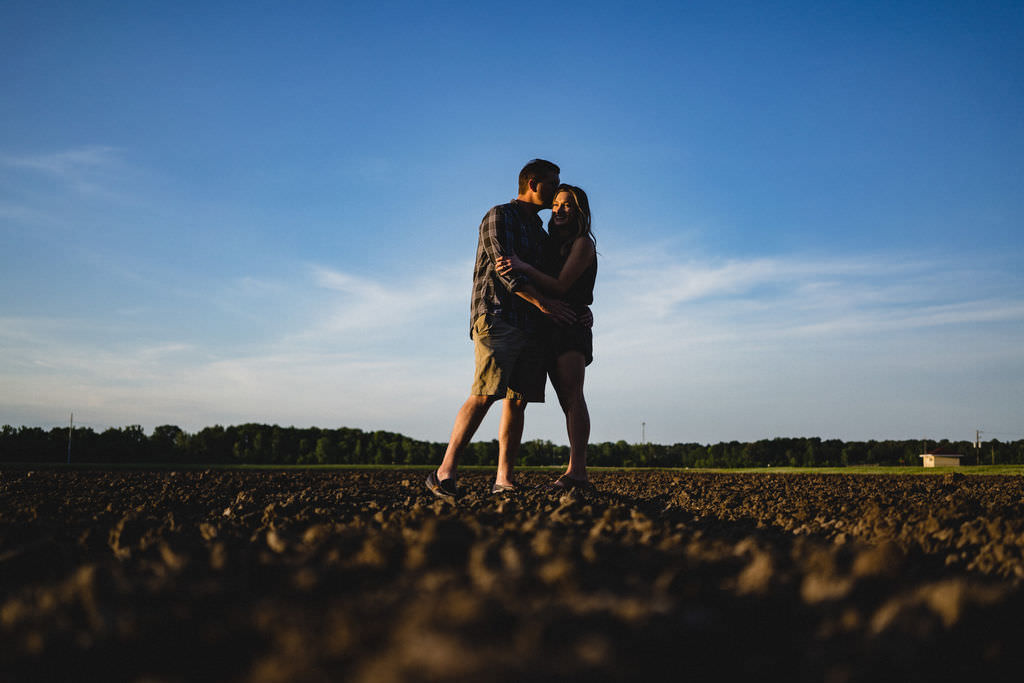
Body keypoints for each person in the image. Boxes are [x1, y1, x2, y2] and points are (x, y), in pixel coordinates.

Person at [426, 159, 577, 499]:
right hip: (497, 315)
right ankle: (443, 472)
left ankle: (503, 480)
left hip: (530, 324)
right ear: (533, 183)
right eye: (553, 185)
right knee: (485, 393)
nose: (555, 193)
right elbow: (506, 273)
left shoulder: (539, 232)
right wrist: (545, 305)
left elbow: (550, 279)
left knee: (517, 400)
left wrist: (573, 309)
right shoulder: (499, 216)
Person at [495, 184, 597, 491]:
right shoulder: (545, 241)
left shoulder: (583, 244)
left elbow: (563, 286)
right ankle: (504, 477)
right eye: (556, 204)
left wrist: (523, 266)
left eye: (568, 205)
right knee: (516, 399)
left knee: (571, 397)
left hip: (568, 324)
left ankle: (577, 471)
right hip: (540, 325)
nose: (560, 210)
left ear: (579, 212)